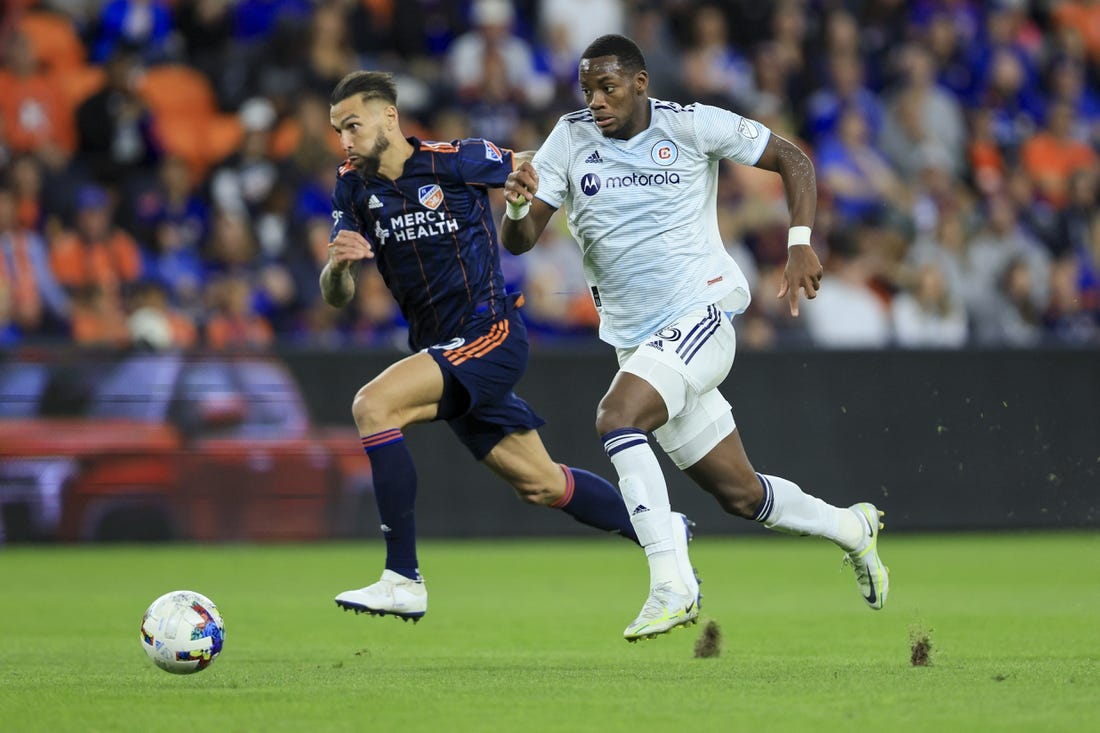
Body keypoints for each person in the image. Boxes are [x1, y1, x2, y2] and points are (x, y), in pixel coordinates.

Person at [500, 35, 889, 642]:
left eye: (607, 87)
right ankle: (851, 528)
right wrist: (519, 208)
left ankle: (671, 585)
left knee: (617, 416)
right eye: (587, 90)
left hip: (702, 315)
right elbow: (518, 242)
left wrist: (799, 241)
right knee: (742, 494)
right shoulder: (569, 138)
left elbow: (794, 158)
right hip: (638, 344)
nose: (595, 101)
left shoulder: (692, 127)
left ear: (640, 83)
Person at [320, 70, 692, 623]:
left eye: (352, 125)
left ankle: (403, 578)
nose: (345, 141)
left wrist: (527, 182)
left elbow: (533, 162)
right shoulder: (352, 184)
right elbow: (337, 296)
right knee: (541, 485)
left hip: (489, 335)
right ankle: (662, 528)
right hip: (441, 348)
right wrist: (338, 265)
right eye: (338, 130)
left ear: (389, 118)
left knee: (373, 405)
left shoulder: (457, 159)